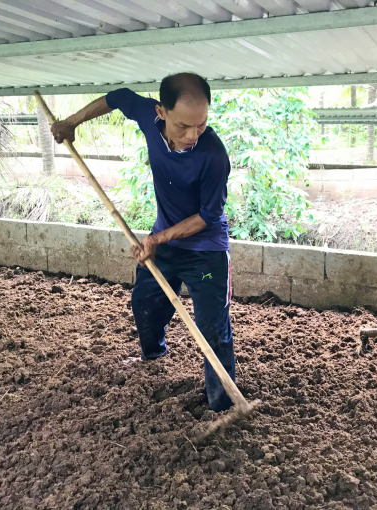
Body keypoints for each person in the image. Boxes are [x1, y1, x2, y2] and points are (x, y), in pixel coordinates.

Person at [51, 73, 235, 412]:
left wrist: (156, 238)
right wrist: (71, 122)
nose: (194, 135)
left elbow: (207, 217)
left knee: (212, 324)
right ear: (161, 112)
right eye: (184, 126)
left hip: (206, 259)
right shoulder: (148, 120)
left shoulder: (214, 155)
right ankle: (153, 354)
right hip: (165, 247)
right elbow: (118, 95)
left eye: (202, 124)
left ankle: (223, 402)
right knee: (145, 303)